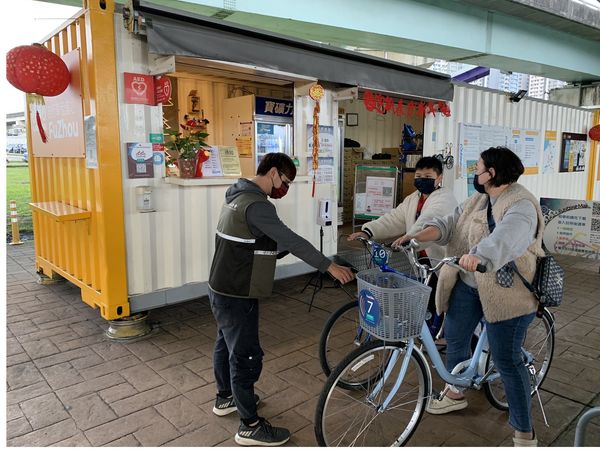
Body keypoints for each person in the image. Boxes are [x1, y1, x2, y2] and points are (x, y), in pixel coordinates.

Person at [394, 147, 544, 447]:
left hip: (507, 291)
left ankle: (524, 433)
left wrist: (480, 256)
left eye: (479, 168)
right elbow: (451, 223)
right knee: (456, 335)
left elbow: (507, 237)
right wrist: (419, 235)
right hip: (468, 282)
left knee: (507, 361)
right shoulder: (478, 199)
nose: (475, 173)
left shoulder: (521, 204)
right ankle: (455, 391)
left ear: (493, 174)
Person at [208, 153, 354, 447]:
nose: (284, 188)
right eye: (285, 181)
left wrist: (278, 249)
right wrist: (329, 266)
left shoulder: (237, 192)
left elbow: (253, 241)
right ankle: (249, 426)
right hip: (237, 291)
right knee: (246, 355)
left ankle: (226, 397)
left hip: (221, 286)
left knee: (226, 343)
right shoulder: (257, 205)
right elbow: (291, 240)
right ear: (272, 172)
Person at [348, 156, 457, 315]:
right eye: (418, 177)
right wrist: (368, 231)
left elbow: (428, 220)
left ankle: (440, 337)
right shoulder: (413, 198)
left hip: (440, 261)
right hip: (420, 259)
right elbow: (394, 218)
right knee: (426, 301)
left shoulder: (444, 198)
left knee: (440, 301)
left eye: (428, 177)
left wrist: (410, 237)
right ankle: (427, 334)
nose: (422, 180)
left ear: (439, 178)